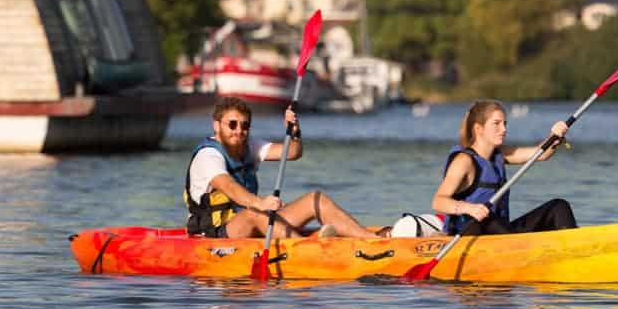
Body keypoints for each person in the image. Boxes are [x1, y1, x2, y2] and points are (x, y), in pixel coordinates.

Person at [184, 96, 385, 239]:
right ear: (216, 125)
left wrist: (294, 132)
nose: (239, 131)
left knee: (315, 199)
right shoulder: (208, 156)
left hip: (253, 221)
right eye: (233, 124)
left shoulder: (249, 145)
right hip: (214, 234)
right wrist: (260, 204)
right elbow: (228, 186)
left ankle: (371, 240)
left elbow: (292, 152)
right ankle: (308, 251)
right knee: (256, 212)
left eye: (245, 126)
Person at [431, 100, 577, 236]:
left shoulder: (499, 154)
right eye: (497, 123)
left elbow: (540, 154)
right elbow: (438, 202)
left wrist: (555, 137)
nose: (504, 129)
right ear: (478, 128)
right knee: (487, 218)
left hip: (500, 233)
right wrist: (469, 208)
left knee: (559, 207)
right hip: (469, 235)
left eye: (505, 123)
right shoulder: (464, 161)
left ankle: (575, 249)